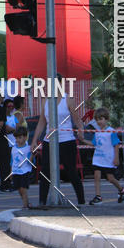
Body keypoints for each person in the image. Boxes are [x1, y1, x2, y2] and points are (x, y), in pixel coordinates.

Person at [30, 77, 85, 207]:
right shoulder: (46, 100)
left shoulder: (68, 99)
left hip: (66, 140)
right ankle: (42, 202)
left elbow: (77, 119)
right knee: (45, 172)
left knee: (71, 171)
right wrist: (34, 141)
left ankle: (82, 201)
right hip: (50, 140)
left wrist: (80, 130)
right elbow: (42, 122)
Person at [83, 107, 124, 205]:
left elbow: (116, 145)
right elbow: (94, 143)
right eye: (97, 119)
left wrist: (116, 158)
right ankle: (98, 196)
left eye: (101, 119)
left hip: (108, 159)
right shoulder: (97, 132)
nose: (99, 122)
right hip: (98, 158)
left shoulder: (111, 131)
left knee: (110, 178)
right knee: (96, 176)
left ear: (106, 119)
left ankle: (121, 190)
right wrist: (83, 140)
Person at [11, 126, 34, 209]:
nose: (17, 140)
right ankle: (27, 203)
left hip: (25, 171)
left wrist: (32, 154)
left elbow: (30, 162)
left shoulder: (28, 149)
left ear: (25, 137)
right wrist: (11, 172)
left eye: (20, 137)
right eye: (16, 138)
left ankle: (25, 206)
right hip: (16, 171)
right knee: (19, 189)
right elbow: (12, 161)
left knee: (23, 188)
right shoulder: (13, 149)